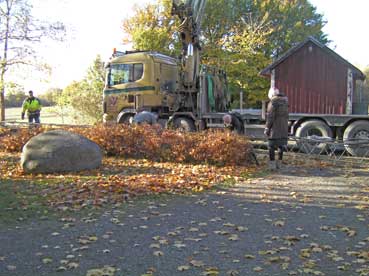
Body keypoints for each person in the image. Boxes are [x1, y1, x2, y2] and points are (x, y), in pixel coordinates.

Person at [264, 87, 289, 170]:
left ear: (271, 94)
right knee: (281, 146)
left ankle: (272, 166)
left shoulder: (273, 102)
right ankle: (279, 165)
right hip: (283, 128)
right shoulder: (285, 101)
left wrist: (267, 128)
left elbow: (270, 117)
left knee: (271, 146)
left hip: (274, 129)